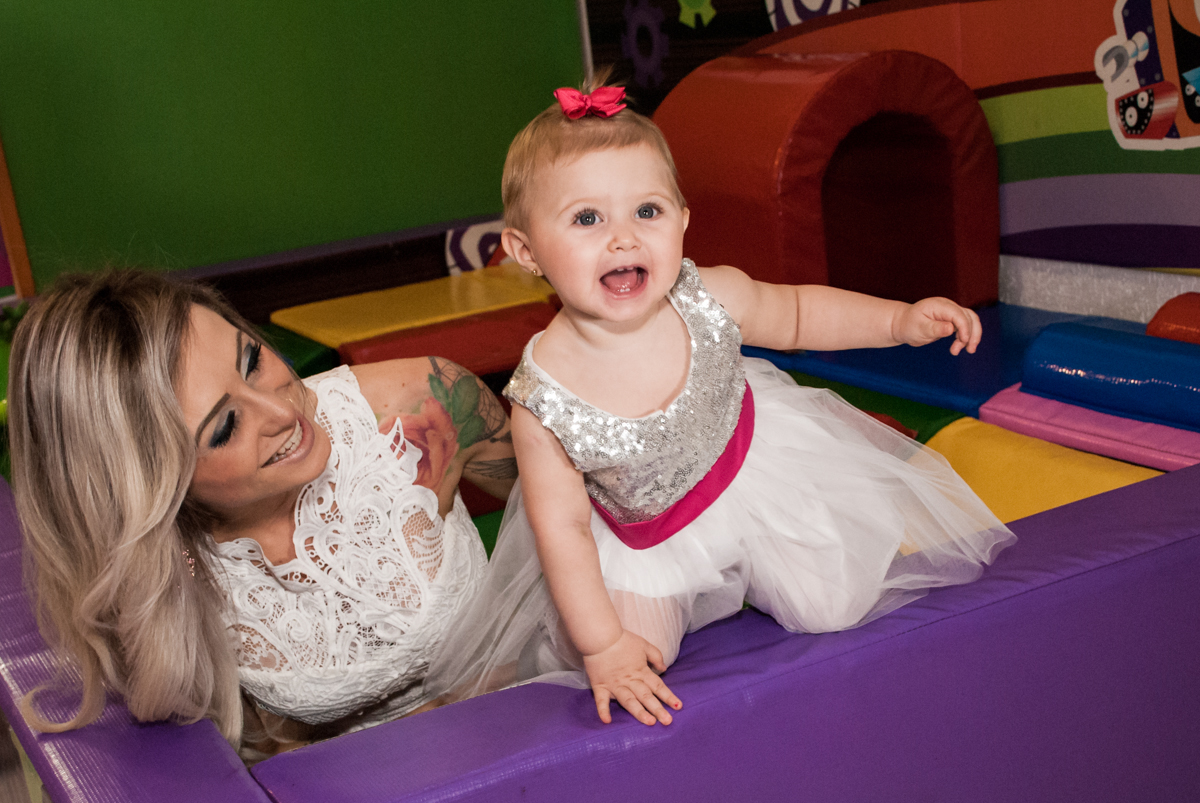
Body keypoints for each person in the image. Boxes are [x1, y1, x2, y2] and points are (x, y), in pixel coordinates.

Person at [425, 78, 1016, 728]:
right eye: (587, 218)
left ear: (683, 219)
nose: (623, 239)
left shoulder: (708, 297)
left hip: (751, 473)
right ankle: (614, 629)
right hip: (643, 534)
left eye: (646, 211)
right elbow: (562, 529)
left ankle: (755, 565)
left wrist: (898, 321)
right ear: (526, 251)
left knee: (833, 604)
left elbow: (797, 314)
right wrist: (603, 645)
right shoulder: (543, 396)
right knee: (638, 655)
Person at [7, 270, 516, 759]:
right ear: (151, 484)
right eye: (226, 426)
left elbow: (558, 525)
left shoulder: (421, 403)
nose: (283, 413)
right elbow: (265, 746)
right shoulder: (163, 567)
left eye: (252, 360)